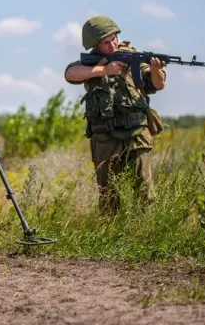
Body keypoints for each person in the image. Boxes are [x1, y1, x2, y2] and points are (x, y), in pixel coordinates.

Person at [64, 15, 166, 215]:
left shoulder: (132, 55)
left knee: (146, 193)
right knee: (109, 196)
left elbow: (158, 84)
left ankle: (147, 236)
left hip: (136, 133)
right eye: (106, 42)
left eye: (114, 39)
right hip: (105, 137)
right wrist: (104, 70)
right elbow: (70, 73)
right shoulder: (93, 64)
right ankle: (110, 238)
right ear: (94, 45)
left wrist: (156, 71)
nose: (113, 45)